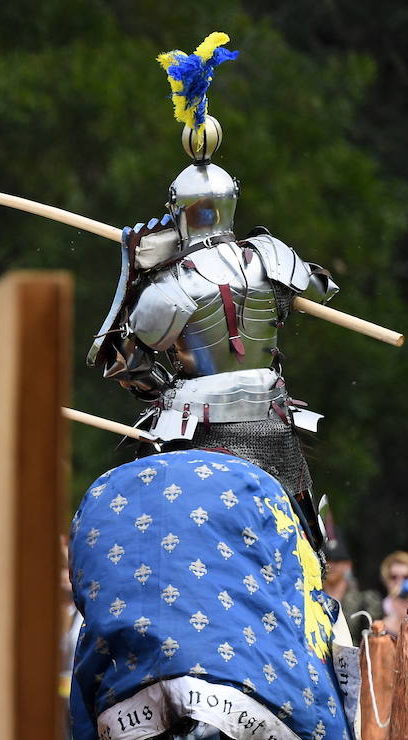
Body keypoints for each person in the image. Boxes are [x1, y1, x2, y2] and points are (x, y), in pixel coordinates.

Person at [87, 54, 339, 549]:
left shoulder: (171, 286)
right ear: (231, 203)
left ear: (177, 210)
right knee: (300, 537)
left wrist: (133, 272)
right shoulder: (270, 255)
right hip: (269, 415)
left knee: (154, 531)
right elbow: (313, 291)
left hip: (193, 427)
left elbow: (124, 358)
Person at [323, 536, 382, 643]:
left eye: (337, 561)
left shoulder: (365, 599)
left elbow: (372, 638)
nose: (331, 565)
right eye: (327, 560)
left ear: (348, 565)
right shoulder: (311, 596)